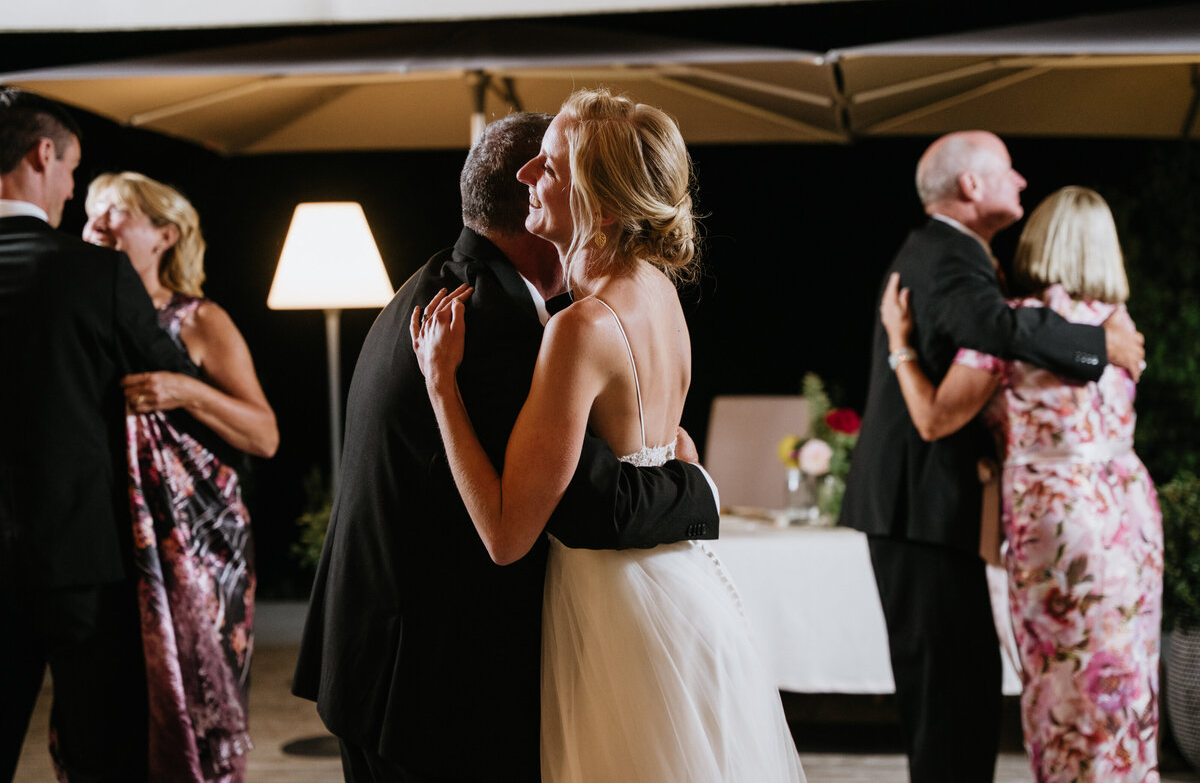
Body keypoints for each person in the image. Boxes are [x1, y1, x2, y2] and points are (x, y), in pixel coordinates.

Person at [291, 111, 721, 783]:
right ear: (529, 208)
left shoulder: (439, 283)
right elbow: (591, 503)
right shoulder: (497, 327)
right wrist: (700, 489)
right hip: (422, 684)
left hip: (382, 652)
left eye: (549, 165)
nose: (535, 177)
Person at [413, 88, 804, 782]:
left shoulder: (581, 329)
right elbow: (677, 448)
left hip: (619, 615)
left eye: (551, 166)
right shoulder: (658, 291)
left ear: (605, 205)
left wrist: (442, 387)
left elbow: (506, 536)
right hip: (686, 590)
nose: (527, 175)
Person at [839, 131, 1146, 783]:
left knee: (960, 684)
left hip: (928, 504)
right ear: (971, 186)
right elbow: (994, 328)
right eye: (1008, 171)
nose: (1022, 181)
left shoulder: (950, 252)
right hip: (918, 503)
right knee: (949, 691)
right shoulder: (951, 256)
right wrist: (1100, 340)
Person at [0, 88, 188, 782]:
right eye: (73, 172)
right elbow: (172, 384)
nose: (71, 190)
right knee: (104, 759)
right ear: (43, 154)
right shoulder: (95, 273)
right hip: (83, 563)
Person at [82, 171, 278, 782]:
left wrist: (184, 389)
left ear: (164, 235)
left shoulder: (198, 319)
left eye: (115, 211)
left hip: (202, 544)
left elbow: (264, 434)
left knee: (193, 703)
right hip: (112, 531)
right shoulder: (80, 317)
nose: (97, 222)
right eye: (91, 212)